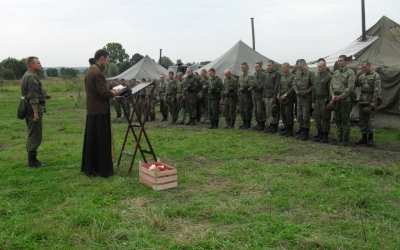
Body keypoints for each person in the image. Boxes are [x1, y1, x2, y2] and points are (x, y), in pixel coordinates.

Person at [81, 49, 122, 177]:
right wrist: (116, 92)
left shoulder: (90, 70)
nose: (108, 63)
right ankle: (103, 170)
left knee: (94, 141)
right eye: (108, 60)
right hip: (99, 111)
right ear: (102, 58)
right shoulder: (97, 72)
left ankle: (92, 168)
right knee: (102, 141)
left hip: (93, 111)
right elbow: (103, 93)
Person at [21, 56, 51, 167]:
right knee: (35, 134)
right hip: (33, 108)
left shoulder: (27, 75)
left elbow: (32, 92)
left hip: (29, 107)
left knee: (32, 132)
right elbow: (32, 96)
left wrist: (45, 95)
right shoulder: (32, 77)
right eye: (38, 63)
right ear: (31, 65)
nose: (40, 65)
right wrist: (35, 113)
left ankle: (32, 158)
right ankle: (32, 161)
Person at [329, 55, 355, 146]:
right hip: (335, 99)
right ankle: (339, 137)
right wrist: (332, 95)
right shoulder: (335, 72)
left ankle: (345, 139)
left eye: (341, 61)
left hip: (345, 100)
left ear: (346, 61)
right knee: (338, 120)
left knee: (345, 120)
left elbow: (350, 87)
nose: (339, 62)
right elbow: (331, 85)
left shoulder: (350, 72)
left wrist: (341, 96)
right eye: (338, 61)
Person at [354, 60, 381, 146]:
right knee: (362, 120)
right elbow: (356, 85)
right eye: (363, 67)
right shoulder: (362, 76)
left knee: (370, 120)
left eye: (365, 67)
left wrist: (373, 101)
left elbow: (377, 90)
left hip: (370, 100)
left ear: (369, 66)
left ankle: (370, 138)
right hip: (362, 100)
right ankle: (363, 137)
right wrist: (357, 75)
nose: (363, 69)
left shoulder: (375, 76)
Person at [293, 59, 315, 140]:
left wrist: (307, 91)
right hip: (299, 97)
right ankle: (301, 129)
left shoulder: (310, 72)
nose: (299, 68)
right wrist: (297, 92)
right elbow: (294, 84)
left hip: (307, 98)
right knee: (299, 115)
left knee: (306, 115)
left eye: (300, 67)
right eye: (298, 67)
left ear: (304, 64)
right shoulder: (297, 73)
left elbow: (314, 85)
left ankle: (305, 132)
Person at [312, 60, 332, 143]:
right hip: (317, 100)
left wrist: (330, 103)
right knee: (317, 118)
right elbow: (314, 90)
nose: (318, 68)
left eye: (320, 66)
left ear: (325, 67)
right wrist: (313, 102)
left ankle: (325, 135)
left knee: (325, 118)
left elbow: (331, 91)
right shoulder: (317, 76)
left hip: (325, 99)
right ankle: (320, 133)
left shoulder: (329, 77)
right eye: (318, 66)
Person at [277, 63, 295, 137]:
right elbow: (280, 87)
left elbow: (293, 87)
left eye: (284, 68)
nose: (282, 69)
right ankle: (286, 128)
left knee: (289, 114)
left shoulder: (293, 77)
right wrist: (278, 94)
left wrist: (285, 95)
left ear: (288, 68)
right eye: (282, 68)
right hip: (282, 99)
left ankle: (290, 130)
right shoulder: (282, 76)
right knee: (283, 114)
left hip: (289, 98)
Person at [263, 60, 282, 134]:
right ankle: (271, 125)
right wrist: (264, 95)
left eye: (269, 65)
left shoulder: (277, 74)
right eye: (267, 65)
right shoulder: (266, 73)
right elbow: (265, 86)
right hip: (267, 95)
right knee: (268, 112)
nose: (268, 66)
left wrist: (275, 98)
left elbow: (277, 87)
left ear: (273, 65)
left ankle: (274, 126)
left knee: (274, 111)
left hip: (273, 95)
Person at [251, 61, 266, 131]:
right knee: (255, 110)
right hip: (255, 95)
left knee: (260, 110)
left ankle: (262, 124)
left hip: (260, 95)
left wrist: (254, 87)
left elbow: (262, 86)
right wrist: (252, 85)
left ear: (260, 67)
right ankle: (258, 123)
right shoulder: (254, 74)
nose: (255, 68)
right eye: (255, 67)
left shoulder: (263, 75)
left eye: (257, 67)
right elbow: (254, 84)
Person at [238, 62, 253, 129]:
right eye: (241, 67)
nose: (242, 68)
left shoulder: (250, 75)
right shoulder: (240, 76)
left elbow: (251, 85)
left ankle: (248, 123)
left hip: (247, 94)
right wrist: (238, 94)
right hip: (241, 94)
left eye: (243, 67)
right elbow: (239, 85)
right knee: (241, 109)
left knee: (247, 109)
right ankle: (244, 123)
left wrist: (244, 86)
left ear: (247, 67)